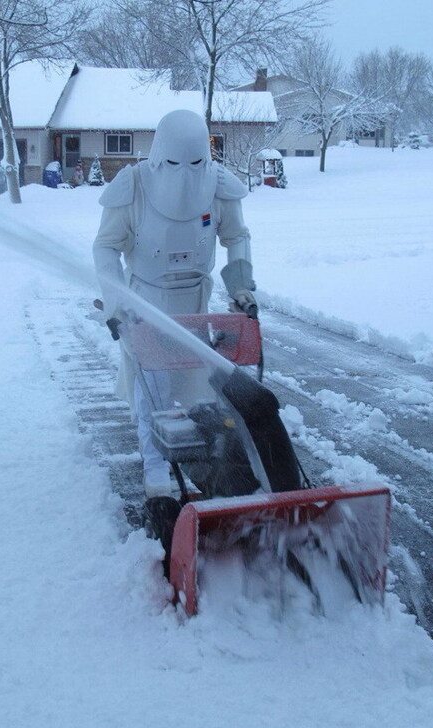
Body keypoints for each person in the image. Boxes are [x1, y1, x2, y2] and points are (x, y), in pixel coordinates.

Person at [92, 109, 257, 500]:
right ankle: (155, 466)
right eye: (174, 163)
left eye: (196, 162)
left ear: (207, 154)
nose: (185, 174)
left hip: (198, 302)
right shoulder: (132, 186)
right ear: (159, 153)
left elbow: (238, 236)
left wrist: (241, 288)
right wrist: (117, 299)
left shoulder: (219, 187)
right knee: (153, 385)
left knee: (201, 385)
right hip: (145, 303)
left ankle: (208, 457)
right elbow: (105, 245)